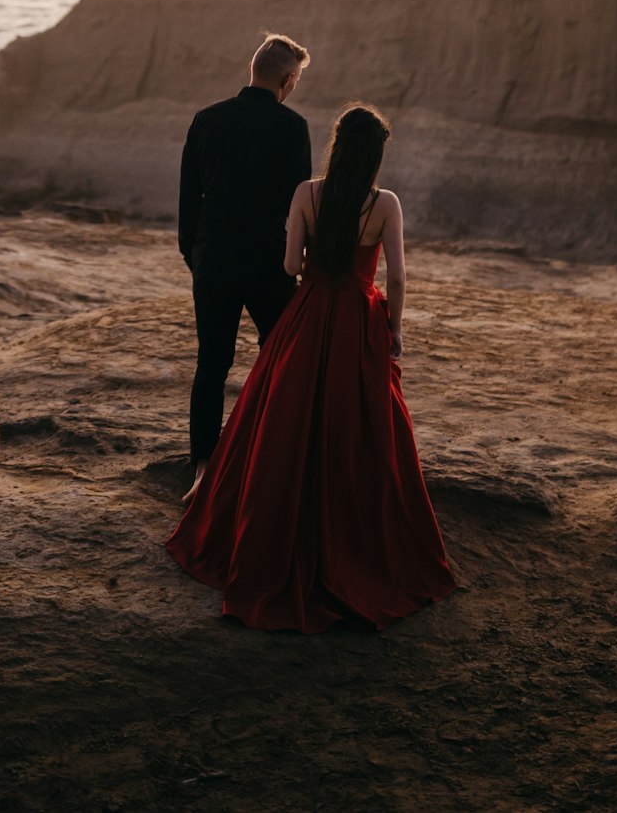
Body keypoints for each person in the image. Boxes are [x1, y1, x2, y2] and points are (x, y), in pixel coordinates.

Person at [167, 102, 457, 632]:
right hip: (358, 319)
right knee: (362, 422)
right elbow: (396, 278)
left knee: (283, 415)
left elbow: (288, 265)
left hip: (310, 310)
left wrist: (312, 272)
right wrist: (393, 328)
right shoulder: (385, 203)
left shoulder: (308, 193)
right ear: (374, 155)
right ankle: (353, 535)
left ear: (337, 145)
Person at [178, 32, 312, 502]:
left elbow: (188, 203)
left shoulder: (206, 119)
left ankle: (203, 469)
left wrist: (196, 256)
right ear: (288, 79)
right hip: (267, 264)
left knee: (211, 364)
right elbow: (298, 208)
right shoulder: (292, 127)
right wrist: (297, 266)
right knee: (281, 357)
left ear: (252, 69)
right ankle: (265, 457)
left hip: (212, 258)